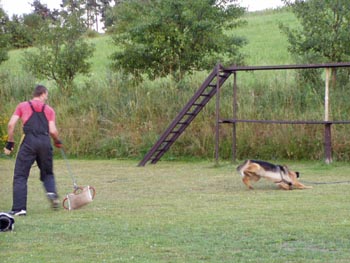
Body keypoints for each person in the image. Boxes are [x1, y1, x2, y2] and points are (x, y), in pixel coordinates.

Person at [3, 85, 63, 216]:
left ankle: (19, 209)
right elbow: (52, 130)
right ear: (42, 94)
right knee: (47, 172)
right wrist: (57, 141)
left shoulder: (22, 106)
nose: (46, 97)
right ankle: (51, 192)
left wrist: (10, 142)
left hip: (29, 142)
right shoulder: (49, 110)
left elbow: (11, 124)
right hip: (45, 142)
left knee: (20, 175)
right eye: (46, 95)